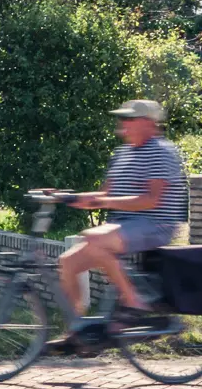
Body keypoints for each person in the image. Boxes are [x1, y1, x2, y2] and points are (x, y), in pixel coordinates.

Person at [57, 99, 188, 336]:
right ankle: (77, 330)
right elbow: (104, 194)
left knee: (94, 238)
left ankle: (133, 300)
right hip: (124, 226)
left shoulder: (162, 152)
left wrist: (105, 202)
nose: (122, 125)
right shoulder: (123, 153)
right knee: (68, 262)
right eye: (122, 119)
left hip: (155, 224)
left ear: (148, 123)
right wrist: (65, 197)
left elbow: (151, 200)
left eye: (129, 119)